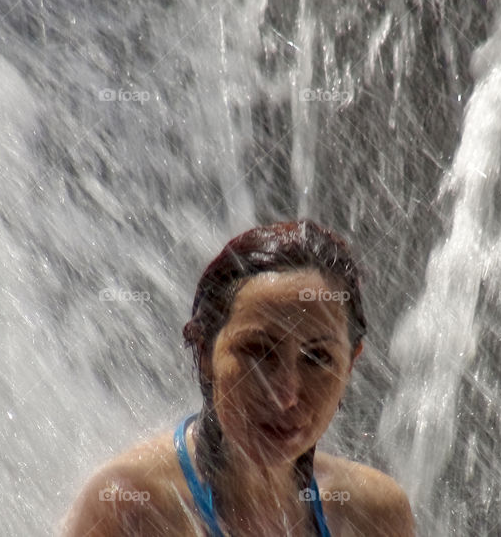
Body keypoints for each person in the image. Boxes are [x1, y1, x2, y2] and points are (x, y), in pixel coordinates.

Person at [63, 220, 415, 536]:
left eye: (317, 358)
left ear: (350, 365)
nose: (286, 395)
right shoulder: (131, 506)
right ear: (204, 352)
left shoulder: (372, 513)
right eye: (260, 352)